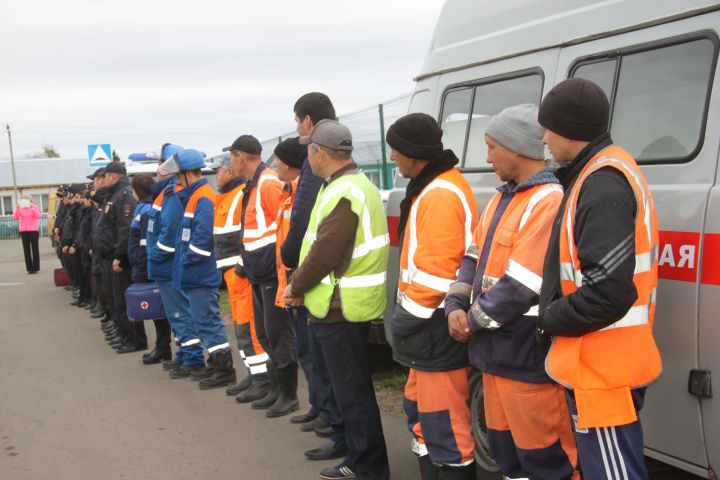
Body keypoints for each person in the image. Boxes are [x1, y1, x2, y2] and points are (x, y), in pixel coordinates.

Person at [444, 105, 579, 479]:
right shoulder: (503, 198)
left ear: (517, 148)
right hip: (495, 357)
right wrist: (455, 303)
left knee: (547, 462)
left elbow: (522, 286)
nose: (487, 158)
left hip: (526, 361)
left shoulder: (547, 200)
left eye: (491, 147)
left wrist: (468, 321)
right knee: (510, 459)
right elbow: (472, 258)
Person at [536, 78, 662, 480]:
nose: (544, 137)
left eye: (548, 127)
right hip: (602, 362)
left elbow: (609, 292)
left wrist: (549, 316)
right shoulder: (599, 170)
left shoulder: (601, 182)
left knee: (613, 473)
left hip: (604, 368)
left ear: (568, 129)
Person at [285, 119, 390, 480]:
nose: (307, 158)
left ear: (320, 153)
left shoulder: (344, 191)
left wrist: (295, 285)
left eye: (308, 150)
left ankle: (370, 468)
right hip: (339, 306)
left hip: (340, 308)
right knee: (350, 392)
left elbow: (324, 252)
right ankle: (358, 459)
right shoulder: (349, 186)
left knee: (353, 394)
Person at [386, 113, 478, 480]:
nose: (392, 157)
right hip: (431, 327)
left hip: (436, 326)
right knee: (423, 415)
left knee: (445, 428)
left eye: (395, 149)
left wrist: (404, 318)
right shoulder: (434, 187)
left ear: (412, 153)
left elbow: (436, 274)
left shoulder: (439, 193)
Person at [286, 93, 346, 462]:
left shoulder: (318, 167)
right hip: (327, 284)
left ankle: (339, 430)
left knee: (330, 362)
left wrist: (291, 262)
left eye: (297, 121)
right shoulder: (335, 171)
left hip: (326, 287)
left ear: (307, 121)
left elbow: (305, 219)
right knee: (320, 357)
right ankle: (327, 414)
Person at [226, 135, 297, 410]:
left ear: (241, 156)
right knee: (266, 334)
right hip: (258, 271)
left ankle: (289, 396)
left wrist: (282, 269)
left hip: (271, 272)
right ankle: (277, 390)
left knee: (278, 333)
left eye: (231, 156)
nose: (230, 162)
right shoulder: (254, 184)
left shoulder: (267, 183)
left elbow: (285, 226)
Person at [172, 149, 236, 390]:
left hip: (200, 274)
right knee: (202, 322)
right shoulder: (195, 196)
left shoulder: (203, 198)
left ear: (189, 173)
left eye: (180, 176)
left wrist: (186, 261)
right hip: (194, 274)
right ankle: (215, 363)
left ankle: (224, 369)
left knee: (208, 321)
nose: (178, 181)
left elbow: (202, 239)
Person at [211, 155, 270, 400]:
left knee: (250, 327)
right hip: (231, 276)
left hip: (240, 274)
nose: (217, 175)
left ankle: (262, 380)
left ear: (230, 172)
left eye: (220, 170)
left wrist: (240, 265)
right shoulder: (225, 197)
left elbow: (247, 234)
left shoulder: (239, 195)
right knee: (241, 326)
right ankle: (252, 375)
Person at [147, 144, 206, 377]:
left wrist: (156, 254)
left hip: (167, 264)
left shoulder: (171, 194)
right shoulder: (167, 191)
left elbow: (169, 231)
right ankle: (184, 354)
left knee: (180, 314)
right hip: (164, 264)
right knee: (176, 315)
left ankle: (192, 358)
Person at [267, 137, 307, 418]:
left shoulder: (298, 193)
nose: (276, 164)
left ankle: (294, 397)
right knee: (305, 349)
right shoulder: (286, 192)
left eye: (279, 159)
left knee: (296, 343)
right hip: (288, 278)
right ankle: (317, 408)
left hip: (301, 281)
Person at [95, 162, 147, 353]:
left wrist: (119, 255)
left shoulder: (124, 195)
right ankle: (125, 334)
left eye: (106, 176)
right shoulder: (114, 194)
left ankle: (135, 338)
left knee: (125, 300)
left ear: (113, 176)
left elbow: (124, 229)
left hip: (120, 259)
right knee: (117, 299)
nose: (103, 180)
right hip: (109, 256)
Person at [128, 173, 172, 365]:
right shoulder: (144, 207)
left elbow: (146, 243)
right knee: (157, 311)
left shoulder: (146, 210)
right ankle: (162, 348)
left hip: (147, 266)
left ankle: (163, 348)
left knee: (159, 311)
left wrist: (141, 263)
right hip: (143, 264)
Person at [14, 194, 41, 274]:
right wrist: (17, 208)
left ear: (30, 200)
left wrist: (31, 208)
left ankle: (36, 267)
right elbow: (15, 217)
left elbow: (38, 215)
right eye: (23, 199)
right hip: (24, 230)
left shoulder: (35, 207)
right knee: (26, 250)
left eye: (26, 199)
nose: (25, 201)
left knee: (35, 249)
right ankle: (29, 268)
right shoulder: (21, 209)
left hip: (33, 230)